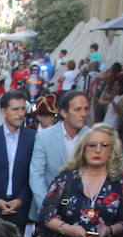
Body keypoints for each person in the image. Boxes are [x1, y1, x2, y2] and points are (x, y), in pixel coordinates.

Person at [0, 91, 36, 232]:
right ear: (3, 111)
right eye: (15, 109)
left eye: (23, 109)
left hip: (19, 211)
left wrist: (21, 200)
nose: (20, 113)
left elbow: (34, 174)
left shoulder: (33, 138)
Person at [28, 89, 90, 223]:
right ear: (64, 112)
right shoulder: (45, 137)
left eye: (86, 109)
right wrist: (47, 207)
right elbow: (36, 174)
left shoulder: (91, 136)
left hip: (82, 211)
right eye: (78, 109)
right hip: (50, 208)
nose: (83, 114)